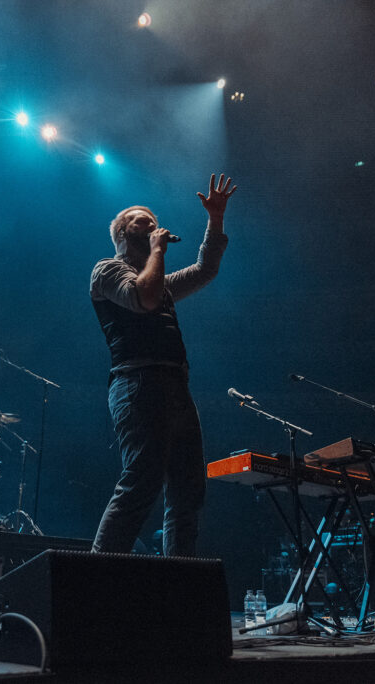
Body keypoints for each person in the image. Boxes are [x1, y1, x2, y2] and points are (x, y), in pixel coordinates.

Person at [90, 173, 236, 557]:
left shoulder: (161, 280)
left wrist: (215, 220)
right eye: (142, 219)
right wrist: (157, 252)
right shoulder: (106, 270)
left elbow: (205, 269)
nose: (153, 223)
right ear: (123, 231)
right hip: (137, 383)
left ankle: (178, 588)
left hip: (176, 386)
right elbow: (144, 299)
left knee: (188, 492)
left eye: (154, 220)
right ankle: (92, 582)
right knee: (141, 482)